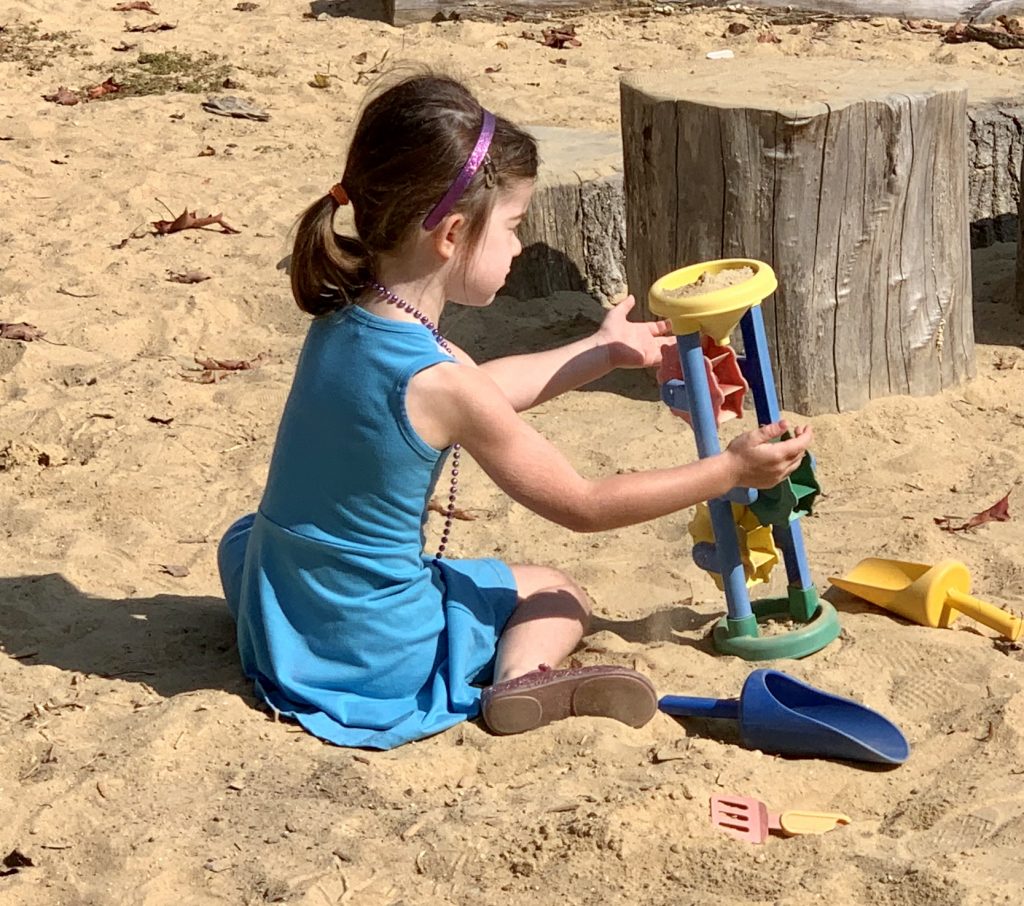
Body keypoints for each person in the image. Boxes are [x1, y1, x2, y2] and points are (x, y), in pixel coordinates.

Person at [217, 72, 813, 751]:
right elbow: (584, 504)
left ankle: (306, 643)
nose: (520, 246)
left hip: (281, 619)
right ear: (452, 234)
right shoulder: (441, 381)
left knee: (246, 535)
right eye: (514, 226)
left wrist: (599, 350)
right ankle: (523, 679)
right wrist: (729, 469)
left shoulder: (343, 318)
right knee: (559, 594)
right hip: (380, 653)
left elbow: (479, 393)